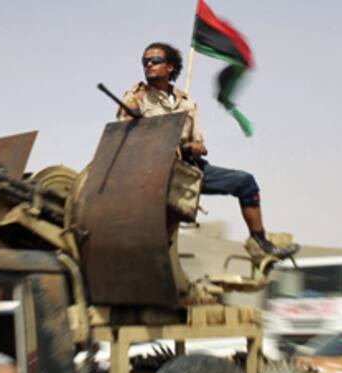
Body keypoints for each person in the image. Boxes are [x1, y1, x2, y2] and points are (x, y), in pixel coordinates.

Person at [117, 42, 299, 258]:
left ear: (170, 66)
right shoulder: (137, 96)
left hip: (189, 169)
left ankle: (259, 244)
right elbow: (124, 130)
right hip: (155, 172)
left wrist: (195, 147)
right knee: (165, 228)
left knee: (245, 182)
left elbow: (198, 142)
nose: (149, 64)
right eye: (145, 61)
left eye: (155, 60)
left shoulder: (186, 102)